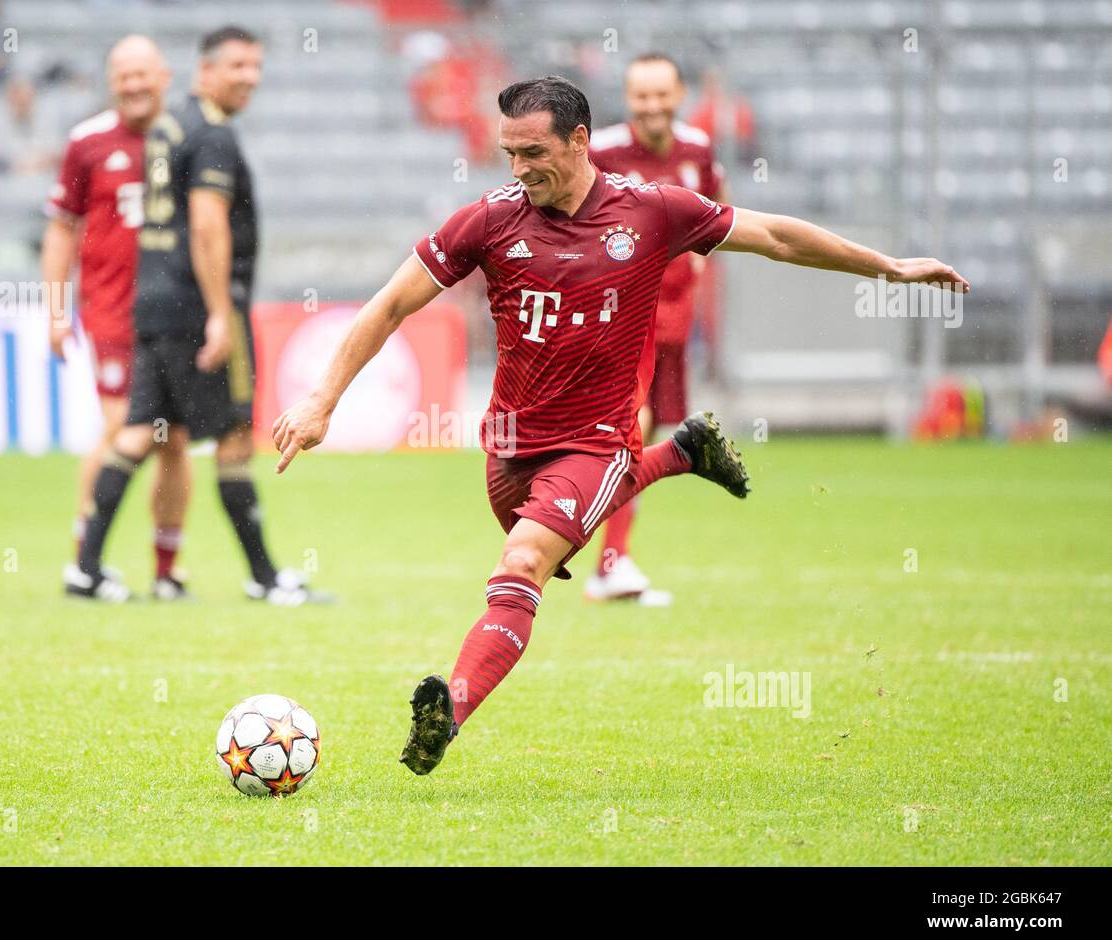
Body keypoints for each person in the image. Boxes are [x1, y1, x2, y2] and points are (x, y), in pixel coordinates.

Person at [271, 75, 968, 774]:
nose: (518, 170)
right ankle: (684, 454)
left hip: (597, 439)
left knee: (521, 566)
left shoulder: (653, 213)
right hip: (509, 452)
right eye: (508, 153)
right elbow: (391, 304)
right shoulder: (488, 221)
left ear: (578, 140)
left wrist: (889, 268)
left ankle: (445, 717)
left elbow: (776, 237)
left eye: (532, 152)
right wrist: (322, 400)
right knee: (533, 544)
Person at [73, 26, 325, 606]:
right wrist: (219, 313)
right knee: (236, 436)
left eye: (255, 67)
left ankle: (85, 568)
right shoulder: (212, 134)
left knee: (139, 431)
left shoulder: (169, 124)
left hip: (155, 302)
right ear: (205, 69)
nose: (249, 78)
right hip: (199, 306)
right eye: (237, 66)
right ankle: (265, 579)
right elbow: (208, 222)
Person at [47, 36, 193, 602]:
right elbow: (62, 228)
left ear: (165, 76)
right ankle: (84, 563)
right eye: (122, 75)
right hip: (112, 313)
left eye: (142, 75)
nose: (133, 85)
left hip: (178, 315)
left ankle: (166, 571)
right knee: (120, 431)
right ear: (112, 82)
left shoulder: (187, 138)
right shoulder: (86, 143)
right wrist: (58, 312)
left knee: (175, 441)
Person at [586, 51, 723, 606]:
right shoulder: (602, 152)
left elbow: (717, 212)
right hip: (622, 319)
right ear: (628, 97)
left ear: (679, 94)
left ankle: (608, 559)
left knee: (649, 431)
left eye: (661, 94)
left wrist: (699, 259)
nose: (652, 106)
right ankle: (609, 563)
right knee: (631, 427)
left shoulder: (698, 150)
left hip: (673, 320)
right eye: (641, 95)